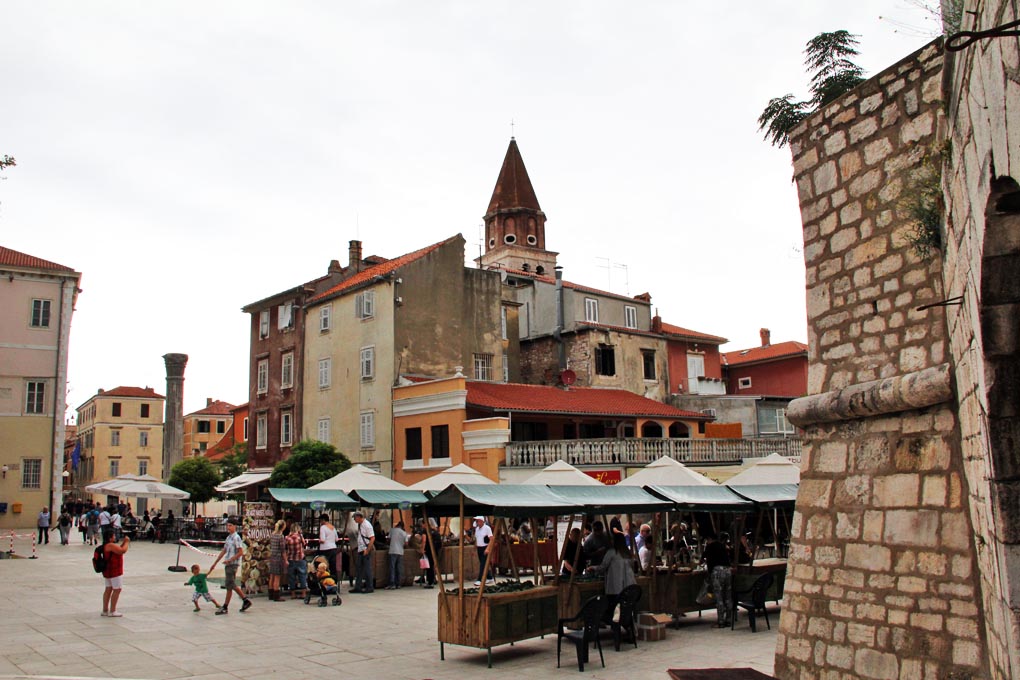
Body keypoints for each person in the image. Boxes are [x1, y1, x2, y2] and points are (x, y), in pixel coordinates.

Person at [587, 532, 636, 624]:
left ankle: (613, 625)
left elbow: (603, 567)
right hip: (630, 586)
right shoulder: (628, 553)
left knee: (612, 608)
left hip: (616, 588)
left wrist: (593, 567)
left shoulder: (612, 552)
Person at [209, 521, 252, 615]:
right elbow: (224, 550)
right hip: (228, 563)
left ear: (235, 526)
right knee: (229, 585)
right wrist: (215, 563)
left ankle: (238, 602)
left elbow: (240, 552)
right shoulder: (228, 538)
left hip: (232, 564)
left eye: (230, 525)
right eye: (227, 525)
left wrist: (231, 560)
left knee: (230, 583)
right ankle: (241, 601)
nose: (228, 527)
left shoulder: (236, 538)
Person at [701, 533, 733, 627]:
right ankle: (729, 620)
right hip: (728, 571)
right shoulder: (722, 546)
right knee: (728, 596)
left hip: (717, 572)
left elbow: (703, 559)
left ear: (709, 539)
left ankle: (721, 622)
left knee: (719, 597)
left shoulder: (709, 546)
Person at [101, 531, 130, 617]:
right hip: (114, 571)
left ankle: (105, 610)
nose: (115, 537)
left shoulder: (107, 545)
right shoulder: (110, 545)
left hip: (108, 571)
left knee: (108, 589)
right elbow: (122, 550)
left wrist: (124, 542)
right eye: (113, 536)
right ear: (110, 537)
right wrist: (127, 542)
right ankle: (113, 610)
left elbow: (118, 550)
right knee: (117, 589)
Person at [352, 512, 375, 593]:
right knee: (359, 569)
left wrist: (368, 550)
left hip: (365, 549)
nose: (354, 520)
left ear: (359, 517)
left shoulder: (367, 525)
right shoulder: (360, 525)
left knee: (367, 569)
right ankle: (358, 586)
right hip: (360, 549)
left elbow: (372, 538)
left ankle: (370, 587)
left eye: (355, 518)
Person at [469, 516, 494, 586]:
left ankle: (479, 579)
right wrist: (474, 549)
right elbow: (477, 539)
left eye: (478, 521)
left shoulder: (487, 528)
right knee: (483, 563)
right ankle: (489, 577)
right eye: (477, 521)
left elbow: (491, 539)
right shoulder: (477, 529)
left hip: (485, 547)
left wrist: (488, 549)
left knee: (482, 564)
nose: (477, 522)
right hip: (479, 548)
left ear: (482, 521)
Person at [285, 523, 308, 600]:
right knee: (302, 576)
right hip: (300, 558)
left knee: (292, 577)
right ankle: (303, 593)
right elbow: (304, 544)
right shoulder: (300, 536)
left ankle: (293, 594)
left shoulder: (287, 538)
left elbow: (285, 548)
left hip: (291, 559)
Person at [267, 519, 287, 602]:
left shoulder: (272, 535)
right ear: (283, 527)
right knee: (277, 577)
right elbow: (283, 550)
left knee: (272, 576)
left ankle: (270, 594)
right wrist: (285, 560)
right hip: (278, 558)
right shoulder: (280, 536)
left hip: (272, 557)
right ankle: (276, 595)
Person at [386, 521, 408, 589]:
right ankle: (398, 583)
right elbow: (406, 544)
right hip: (400, 552)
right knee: (399, 568)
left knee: (392, 567)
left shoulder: (392, 530)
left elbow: (388, 540)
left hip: (392, 550)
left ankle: (392, 583)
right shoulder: (404, 533)